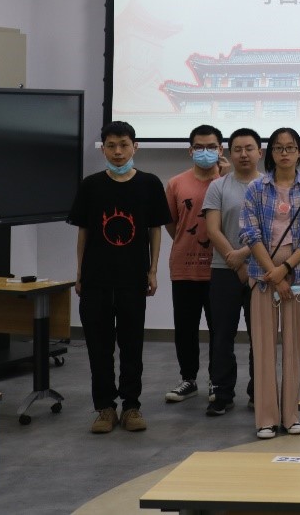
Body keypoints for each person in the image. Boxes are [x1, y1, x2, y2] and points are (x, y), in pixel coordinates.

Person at [69, 121, 172, 434]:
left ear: (135, 146)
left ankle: (131, 406)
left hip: (132, 278)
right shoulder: (91, 185)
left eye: (124, 145)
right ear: (103, 149)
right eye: (111, 146)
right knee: (98, 347)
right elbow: (84, 231)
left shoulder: (149, 183)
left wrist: (152, 270)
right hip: (96, 278)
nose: (118, 152)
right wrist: (79, 272)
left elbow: (155, 230)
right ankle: (104, 408)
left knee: (132, 346)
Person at [239, 127, 300, 439]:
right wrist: (272, 272)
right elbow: (249, 233)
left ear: (299, 152)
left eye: (290, 147)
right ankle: (266, 418)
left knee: (293, 347)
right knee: (263, 348)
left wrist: (285, 269)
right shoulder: (256, 188)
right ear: (270, 153)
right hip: (263, 276)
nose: (284, 153)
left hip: (297, 275)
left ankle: (291, 415)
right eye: (278, 147)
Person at [202, 128, 262, 416]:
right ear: (229, 153)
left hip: (261, 269)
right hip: (223, 269)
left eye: (249, 148)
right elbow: (213, 229)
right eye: (237, 149)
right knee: (222, 334)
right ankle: (222, 393)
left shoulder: (268, 185)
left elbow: (271, 231)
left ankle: (258, 392)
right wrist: (234, 260)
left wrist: (243, 256)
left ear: (259, 152)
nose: (243, 154)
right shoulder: (218, 186)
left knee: (259, 335)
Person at [164, 124, 224, 404]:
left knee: (219, 329)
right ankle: (188, 379)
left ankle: (216, 380)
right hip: (184, 267)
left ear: (220, 150)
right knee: (185, 328)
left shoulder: (227, 182)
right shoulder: (176, 183)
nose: (205, 152)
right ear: (190, 150)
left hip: (220, 268)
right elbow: (171, 223)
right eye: (199, 147)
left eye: (211, 147)